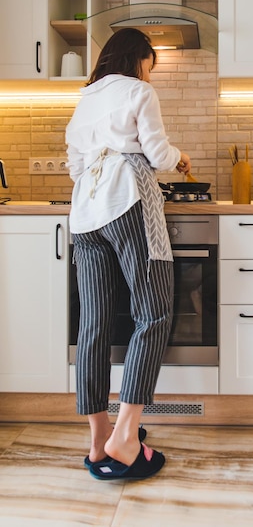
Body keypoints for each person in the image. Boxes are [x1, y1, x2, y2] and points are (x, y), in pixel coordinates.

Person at [66, 28, 191, 481]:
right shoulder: (139, 91)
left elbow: (76, 167)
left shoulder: (84, 100)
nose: (148, 73)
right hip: (126, 202)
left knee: (93, 324)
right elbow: (157, 155)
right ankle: (126, 435)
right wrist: (180, 158)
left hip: (85, 214)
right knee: (152, 315)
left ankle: (98, 438)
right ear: (138, 60)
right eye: (149, 65)